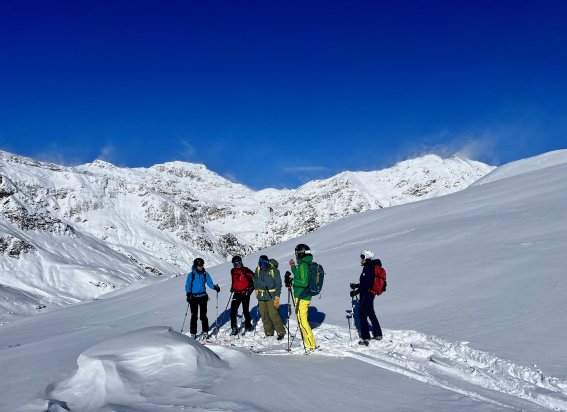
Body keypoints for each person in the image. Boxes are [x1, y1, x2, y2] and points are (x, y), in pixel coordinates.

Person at [287, 243, 317, 351]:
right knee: (301, 319)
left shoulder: (304, 265)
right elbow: (299, 275)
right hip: (301, 296)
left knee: (302, 321)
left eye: (296, 252)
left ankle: (310, 344)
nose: (295, 254)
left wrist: (292, 281)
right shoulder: (303, 264)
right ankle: (308, 341)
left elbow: (303, 282)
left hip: (302, 297)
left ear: (300, 253)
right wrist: (293, 267)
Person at [350, 250, 383, 346]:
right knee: (371, 313)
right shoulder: (373, 267)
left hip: (366, 294)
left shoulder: (368, 268)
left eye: (362, 257)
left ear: (367, 257)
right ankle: (378, 334)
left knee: (362, 315)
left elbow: (366, 284)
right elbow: (368, 282)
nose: (361, 259)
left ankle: (365, 337)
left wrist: (356, 291)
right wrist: (357, 285)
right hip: (371, 294)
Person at [185, 257, 220, 338]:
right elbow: (188, 285)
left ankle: (205, 331)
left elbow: (210, 283)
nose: (201, 267)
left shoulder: (205, 273)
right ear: (196, 265)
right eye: (199, 265)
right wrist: (188, 294)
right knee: (194, 316)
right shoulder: (191, 275)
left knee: (203, 315)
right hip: (193, 297)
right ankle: (193, 333)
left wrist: (215, 287)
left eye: (202, 265)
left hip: (203, 296)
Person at [255, 255, 286, 340]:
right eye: (261, 263)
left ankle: (281, 331)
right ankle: (268, 332)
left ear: (267, 262)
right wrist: (256, 289)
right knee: (264, 314)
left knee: (273, 314)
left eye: (264, 263)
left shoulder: (274, 271)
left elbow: (278, 284)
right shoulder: (258, 269)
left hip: (271, 295)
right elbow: (256, 280)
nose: (262, 265)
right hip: (261, 296)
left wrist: (277, 298)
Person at [229, 255, 255, 335]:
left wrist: (250, 289)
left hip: (245, 293)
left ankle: (248, 325)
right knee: (233, 311)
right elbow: (234, 280)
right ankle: (234, 328)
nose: (237, 265)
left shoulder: (246, 270)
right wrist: (232, 287)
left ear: (241, 262)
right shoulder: (232, 271)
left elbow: (255, 279)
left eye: (238, 263)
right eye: (235, 263)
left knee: (245, 310)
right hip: (236, 293)